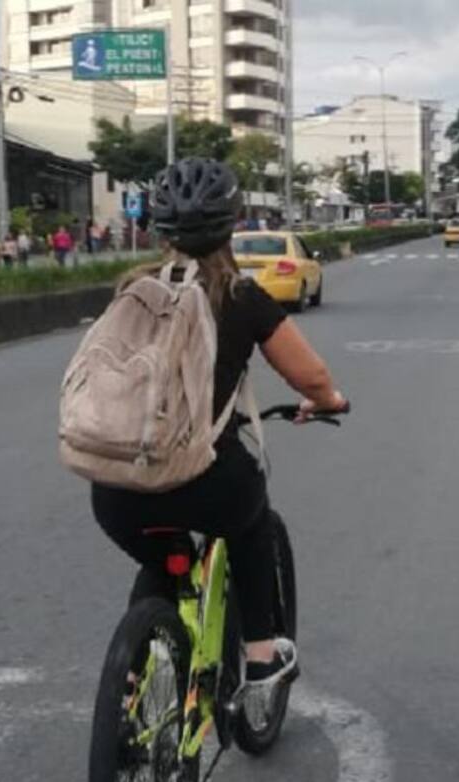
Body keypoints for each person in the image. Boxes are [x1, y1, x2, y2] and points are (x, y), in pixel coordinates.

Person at [90, 158, 348, 685]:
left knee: (163, 560)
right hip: (206, 482)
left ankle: (140, 681)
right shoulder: (242, 298)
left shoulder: (131, 291)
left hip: (117, 486)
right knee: (252, 526)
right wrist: (328, 402)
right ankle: (259, 660)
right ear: (233, 225)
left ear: (160, 231)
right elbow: (313, 378)